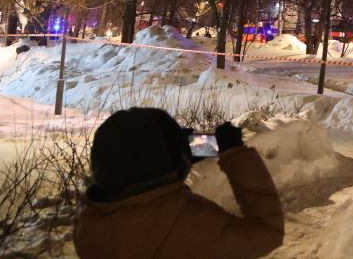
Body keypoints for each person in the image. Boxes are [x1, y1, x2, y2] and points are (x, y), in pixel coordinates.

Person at [74, 108, 284, 259]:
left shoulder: (88, 225)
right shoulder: (190, 224)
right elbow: (267, 232)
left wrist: (172, 159)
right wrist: (236, 155)